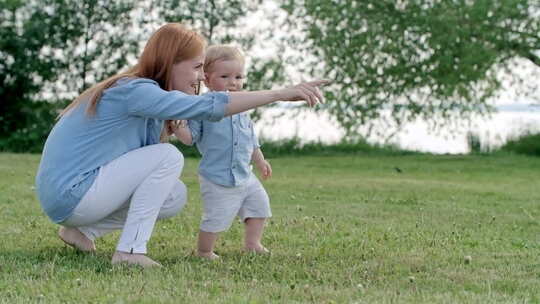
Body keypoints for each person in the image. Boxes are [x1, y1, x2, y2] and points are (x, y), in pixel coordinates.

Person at [35, 23, 327, 268]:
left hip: (75, 197)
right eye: (198, 67)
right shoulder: (135, 90)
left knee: (175, 195)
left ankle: (81, 231)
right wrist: (280, 93)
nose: (202, 76)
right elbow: (211, 105)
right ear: (171, 62)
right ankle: (129, 252)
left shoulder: (146, 99)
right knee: (167, 156)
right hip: (72, 192)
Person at [173, 45, 272, 260]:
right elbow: (191, 138)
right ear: (207, 80)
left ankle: (252, 243)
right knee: (216, 218)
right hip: (217, 177)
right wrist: (178, 126)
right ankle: (204, 251)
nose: (233, 82)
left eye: (238, 76)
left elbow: (251, 139)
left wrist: (261, 161)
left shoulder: (243, 108)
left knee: (260, 207)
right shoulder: (202, 107)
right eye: (225, 76)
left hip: (245, 174)